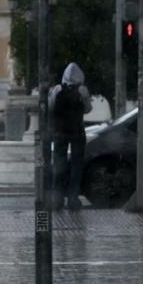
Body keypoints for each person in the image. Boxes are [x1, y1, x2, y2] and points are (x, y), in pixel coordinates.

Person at [48, 62, 92, 210]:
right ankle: (73, 199)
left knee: (58, 165)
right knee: (76, 166)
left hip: (60, 132)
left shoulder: (57, 89)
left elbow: (51, 107)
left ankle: (57, 199)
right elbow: (87, 110)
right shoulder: (82, 90)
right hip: (77, 132)